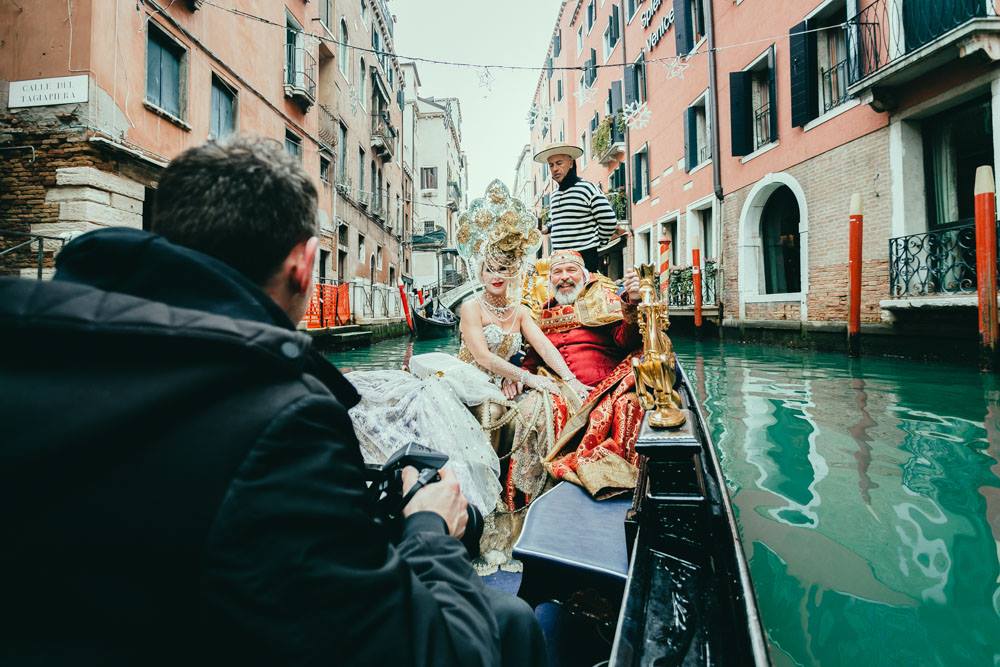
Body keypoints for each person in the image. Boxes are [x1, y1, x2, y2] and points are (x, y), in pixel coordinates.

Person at [0, 137, 544, 666]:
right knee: (512, 622)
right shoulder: (284, 415)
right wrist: (428, 528)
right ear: (304, 264)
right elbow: (431, 652)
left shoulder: (24, 341)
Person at [347, 180, 592, 574]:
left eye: (504, 269)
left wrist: (569, 379)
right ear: (480, 269)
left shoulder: (520, 311)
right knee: (495, 409)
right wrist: (527, 377)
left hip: (499, 381)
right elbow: (481, 356)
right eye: (490, 268)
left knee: (542, 405)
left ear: (513, 271)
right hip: (466, 378)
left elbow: (545, 347)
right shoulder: (470, 307)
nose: (496, 275)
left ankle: (522, 507)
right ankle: (479, 518)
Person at [516, 249, 646, 498]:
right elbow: (532, 359)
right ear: (550, 280)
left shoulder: (602, 300)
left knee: (628, 405)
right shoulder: (542, 313)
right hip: (558, 391)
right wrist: (518, 376)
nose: (564, 277)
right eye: (557, 272)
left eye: (571, 270)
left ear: (585, 276)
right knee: (533, 411)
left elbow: (627, 340)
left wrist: (633, 302)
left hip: (603, 389)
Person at [534, 142, 618, 273]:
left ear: (571, 163)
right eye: (551, 165)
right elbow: (563, 220)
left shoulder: (587, 188)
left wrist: (595, 244)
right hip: (559, 259)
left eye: (559, 163)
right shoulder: (554, 195)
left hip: (584, 259)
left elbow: (609, 221)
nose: (555, 169)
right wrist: (548, 228)